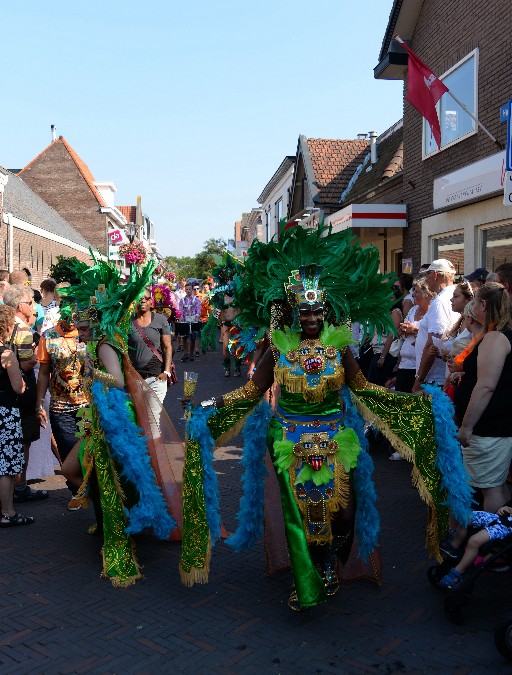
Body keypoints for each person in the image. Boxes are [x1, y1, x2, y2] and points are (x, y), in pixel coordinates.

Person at [179, 224, 473, 611]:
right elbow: (251, 393)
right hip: (291, 442)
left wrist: (413, 405)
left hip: (336, 441)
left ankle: (332, 560)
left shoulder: (341, 350)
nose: (313, 317)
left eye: (318, 310)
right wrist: (209, 408)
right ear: (295, 314)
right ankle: (311, 574)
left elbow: (364, 389)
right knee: (301, 516)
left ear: (326, 311)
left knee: (345, 514)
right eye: (305, 311)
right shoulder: (280, 351)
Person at [59, 258, 183, 585]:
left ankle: (120, 533)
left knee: (112, 479)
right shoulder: (104, 341)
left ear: (96, 326)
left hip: (115, 422)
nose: (81, 334)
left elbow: (115, 380)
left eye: (85, 328)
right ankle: (109, 522)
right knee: (86, 473)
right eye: (80, 329)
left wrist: (91, 371)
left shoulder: (103, 345)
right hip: (103, 420)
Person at [454, 282, 512, 512]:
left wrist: (467, 426)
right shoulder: (498, 335)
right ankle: (496, 541)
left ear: (484, 305)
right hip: (495, 424)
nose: (472, 307)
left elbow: (486, 385)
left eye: (474, 302)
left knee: (490, 487)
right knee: (495, 484)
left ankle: (488, 541)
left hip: (489, 425)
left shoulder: (496, 338)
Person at [2, 285, 47, 501]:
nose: (33, 306)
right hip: (21, 390)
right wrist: (35, 358)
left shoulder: (8, 327)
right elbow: (27, 364)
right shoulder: (23, 330)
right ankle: (20, 486)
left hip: (6, 394)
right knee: (24, 440)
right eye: (30, 303)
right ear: (21, 306)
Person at [35, 297, 89, 468]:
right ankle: (76, 493)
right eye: (68, 317)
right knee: (68, 456)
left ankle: (89, 493)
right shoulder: (49, 336)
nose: (72, 322)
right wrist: (39, 404)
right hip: (60, 408)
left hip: (87, 405)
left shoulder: (85, 334)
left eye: (75, 317)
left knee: (89, 454)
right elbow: (44, 373)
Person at [0, 305, 34, 527]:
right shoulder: (6, 354)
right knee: (7, 465)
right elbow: (18, 388)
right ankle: (8, 511)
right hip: (5, 411)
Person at [412, 258, 460, 392]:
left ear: (436, 275)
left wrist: (419, 380)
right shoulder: (455, 295)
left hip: (433, 380)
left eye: (427, 274)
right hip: (442, 375)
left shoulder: (440, 301)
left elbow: (432, 345)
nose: (425, 278)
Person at [439, 503, 512, 589]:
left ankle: (459, 571)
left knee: (474, 541)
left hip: (506, 527)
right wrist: (506, 508)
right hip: (501, 517)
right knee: (465, 518)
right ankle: (454, 547)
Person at [128, 287, 174, 403]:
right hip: (135, 379)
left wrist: (166, 372)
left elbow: (167, 347)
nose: (142, 301)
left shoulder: (161, 319)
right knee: (138, 418)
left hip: (156, 377)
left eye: (146, 298)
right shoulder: (127, 322)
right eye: (139, 298)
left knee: (153, 417)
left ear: (150, 301)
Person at [177, 282, 201, 362]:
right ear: (185, 290)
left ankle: (191, 353)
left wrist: (197, 316)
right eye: (187, 289)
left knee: (192, 338)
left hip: (193, 320)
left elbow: (198, 309)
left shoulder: (196, 299)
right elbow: (180, 310)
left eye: (190, 289)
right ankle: (185, 353)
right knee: (184, 337)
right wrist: (180, 317)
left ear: (192, 290)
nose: (188, 291)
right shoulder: (182, 300)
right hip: (184, 320)